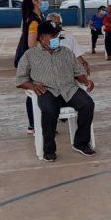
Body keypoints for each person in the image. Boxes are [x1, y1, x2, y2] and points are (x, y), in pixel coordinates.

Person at [16, 21, 96, 162]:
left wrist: (86, 82)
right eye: (52, 36)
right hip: (47, 90)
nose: (56, 38)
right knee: (49, 110)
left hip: (68, 88)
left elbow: (79, 72)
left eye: (57, 35)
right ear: (41, 38)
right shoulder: (30, 55)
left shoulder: (66, 52)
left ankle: (81, 142)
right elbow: (21, 79)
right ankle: (49, 149)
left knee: (87, 104)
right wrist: (33, 86)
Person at [15, 0, 48, 135]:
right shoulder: (33, 20)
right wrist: (48, 45)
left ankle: (36, 123)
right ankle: (33, 125)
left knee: (38, 90)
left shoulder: (40, 16)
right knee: (34, 91)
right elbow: (31, 43)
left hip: (36, 59)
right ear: (35, 1)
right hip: (31, 60)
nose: (47, 2)